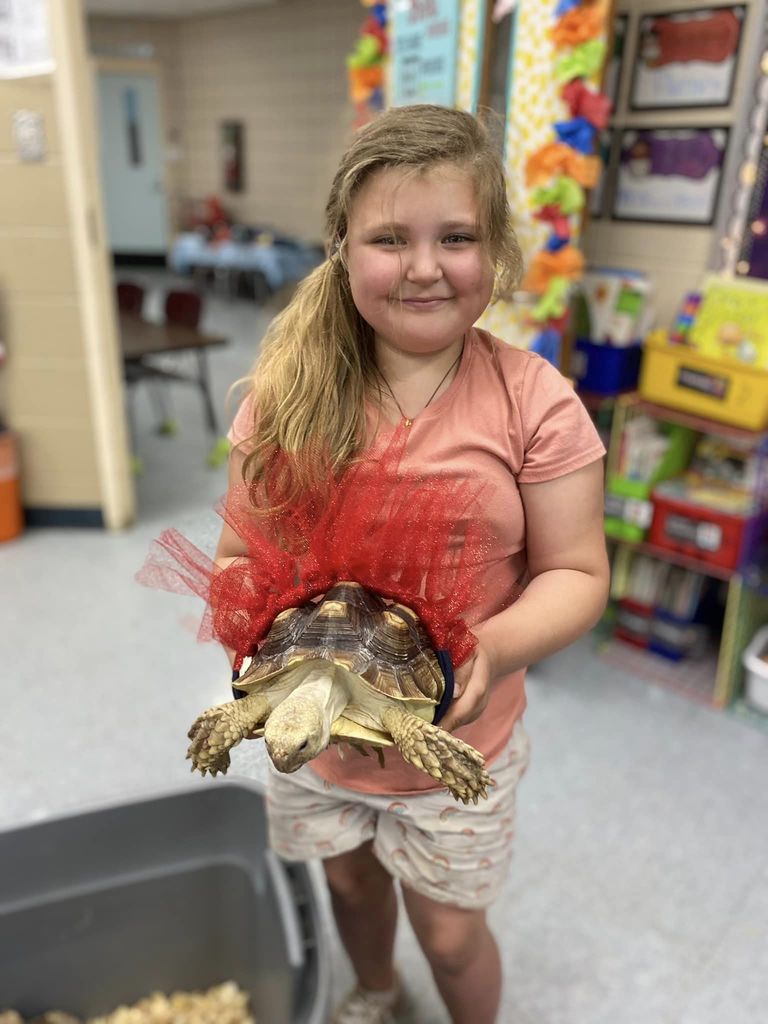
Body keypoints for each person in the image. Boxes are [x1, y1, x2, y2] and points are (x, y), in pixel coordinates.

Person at [218, 105, 609, 1024]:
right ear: (342, 248)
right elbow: (240, 558)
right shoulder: (287, 394)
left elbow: (578, 574)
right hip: (313, 740)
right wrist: (259, 671)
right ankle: (374, 991)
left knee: (450, 935)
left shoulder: (535, 402)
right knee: (350, 892)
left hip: (456, 747)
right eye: (390, 238)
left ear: (498, 250)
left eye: (457, 237)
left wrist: (495, 646)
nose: (425, 266)